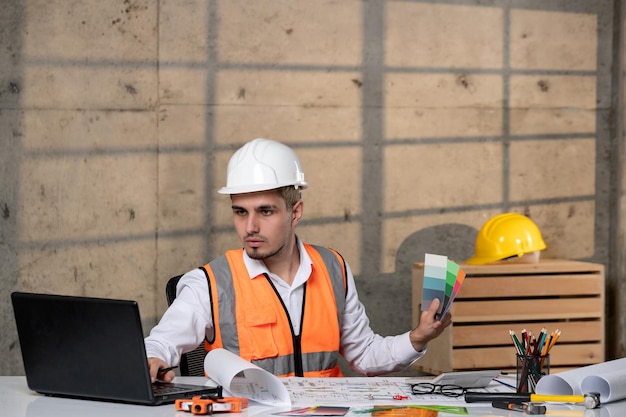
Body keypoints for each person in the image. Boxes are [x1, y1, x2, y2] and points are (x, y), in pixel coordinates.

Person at [145, 138, 452, 382]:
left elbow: (366, 356)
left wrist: (417, 337)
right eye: (240, 212)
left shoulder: (333, 268)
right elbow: (160, 343)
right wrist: (152, 359)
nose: (250, 227)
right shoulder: (210, 283)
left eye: (265, 211)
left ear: (295, 212)